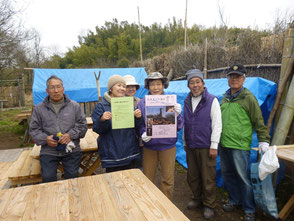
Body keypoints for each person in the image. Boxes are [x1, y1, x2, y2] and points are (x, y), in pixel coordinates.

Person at [220, 64, 270, 221]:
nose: (234, 79)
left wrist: (263, 139)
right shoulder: (225, 97)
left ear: (244, 78)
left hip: (240, 145)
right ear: (228, 79)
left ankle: (249, 209)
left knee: (242, 177)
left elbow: (258, 120)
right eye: (231, 76)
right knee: (228, 175)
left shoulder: (248, 98)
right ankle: (234, 201)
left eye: (238, 76)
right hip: (224, 143)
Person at [29, 75, 87, 183]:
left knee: (73, 177)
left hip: (71, 149)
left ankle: (72, 198)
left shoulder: (74, 106)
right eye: (52, 87)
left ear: (63, 89)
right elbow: (33, 130)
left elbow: (82, 126)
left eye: (58, 87)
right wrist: (46, 139)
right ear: (47, 91)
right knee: (48, 178)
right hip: (49, 151)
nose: (56, 91)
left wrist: (70, 135)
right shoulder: (39, 109)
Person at [138, 72, 184, 200]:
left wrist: (178, 115)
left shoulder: (170, 101)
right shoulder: (142, 103)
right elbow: (139, 123)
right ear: (148, 86)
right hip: (149, 147)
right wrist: (142, 133)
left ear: (163, 85)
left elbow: (179, 126)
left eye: (159, 84)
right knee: (147, 177)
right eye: (152, 84)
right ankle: (149, 205)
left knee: (167, 179)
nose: (156, 87)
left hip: (168, 146)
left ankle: (166, 205)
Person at [183, 69, 222, 219]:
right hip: (191, 145)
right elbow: (186, 123)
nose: (195, 85)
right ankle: (197, 198)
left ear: (203, 83)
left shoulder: (212, 100)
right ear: (188, 86)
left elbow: (217, 124)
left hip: (206, 146)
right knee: (192, 175)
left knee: (208, 177)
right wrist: (185, 141)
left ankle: (209, 204)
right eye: (192, 82)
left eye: (197, 82)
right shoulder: (187, 101)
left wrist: (214, 145)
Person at [91, 75, 143, 173]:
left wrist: (138, 117)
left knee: (131, 183)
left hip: (130, 151)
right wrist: (102, 120)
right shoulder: (101, 106)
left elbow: (136, 126)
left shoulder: (127, 103)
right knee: (115, 184)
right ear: (110, 88)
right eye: (119, 85)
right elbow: (96, 129)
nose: (122, 88)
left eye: (124, 86)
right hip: (112, 154)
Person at [123, 75, 143, 169]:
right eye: (128, 86)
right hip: (124, 142)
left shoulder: (140, 102)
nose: (131, 89)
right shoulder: (117, 103)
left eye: (133, 87)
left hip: (139, 141)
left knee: (139, 168)